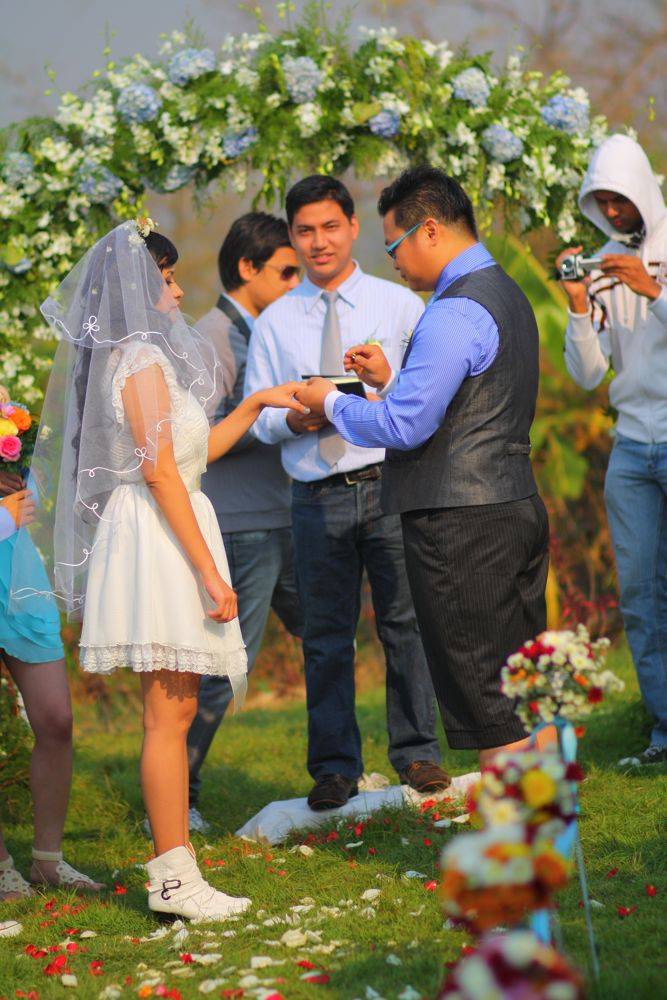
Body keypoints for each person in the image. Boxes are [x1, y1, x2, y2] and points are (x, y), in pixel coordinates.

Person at [10, 221, 306, 920]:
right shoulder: (139, 359)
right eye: (165, 278)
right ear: (138, 289)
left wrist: (256, 403)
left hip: (171, 522)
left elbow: (191, 456)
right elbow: (160, 474)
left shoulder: (146, 359)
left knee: (173, 710)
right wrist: (209, 573)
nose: (175, 291)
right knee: (167, 715)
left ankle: (176, 868)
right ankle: (173, 877)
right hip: (159, 535)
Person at [297, 166, 549, 768]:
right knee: (524, 691)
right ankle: (548, 822)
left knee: (490, 699)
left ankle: (517, 830)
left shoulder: (454, 310)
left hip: (462, 525)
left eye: (394, 246)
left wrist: (330, 401)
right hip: (511, 504)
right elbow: (467, 405)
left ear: (429, 230)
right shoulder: (505, 291)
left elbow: (406, 426)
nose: (395, 263)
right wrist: (390, 381)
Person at [245, 175, 447, 811]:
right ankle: (334, 769)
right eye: (305, 230)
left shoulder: (400, 305)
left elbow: (426, 394)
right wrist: (294, 419)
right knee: (325, 637)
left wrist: (380, 386)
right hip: (315, 494)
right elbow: (258, 417)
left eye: (330, 226)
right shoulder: (274, 321)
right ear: (291, 236)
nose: (319, 241)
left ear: (353, 227)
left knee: (405, 625)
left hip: (390, 483)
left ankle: (418, 754)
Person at [186, 213, 304, 830]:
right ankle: (178, 796)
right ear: (247, 268)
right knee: (224, 667)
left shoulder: (269, 330)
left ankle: (340, 767)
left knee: (328, 636)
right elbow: (196, 441)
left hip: (286, 512)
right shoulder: (212, 338)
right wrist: (280, 419)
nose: (296, 283)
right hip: (241, 524)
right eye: (285, 272)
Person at [556, 133, 667, 766]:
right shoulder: (602, 262)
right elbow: (589, 375)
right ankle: (662, 728)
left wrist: (653, 291)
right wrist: (578, 306)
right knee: (641, 595)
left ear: (642, 190)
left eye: (620, 199)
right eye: (602, 203)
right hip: (630, 447)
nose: (613, 212)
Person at [0, 468, 103, 900]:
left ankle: (47, 859)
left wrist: (23, 478)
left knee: (56, 720)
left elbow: (36, 491)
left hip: (18, 576)